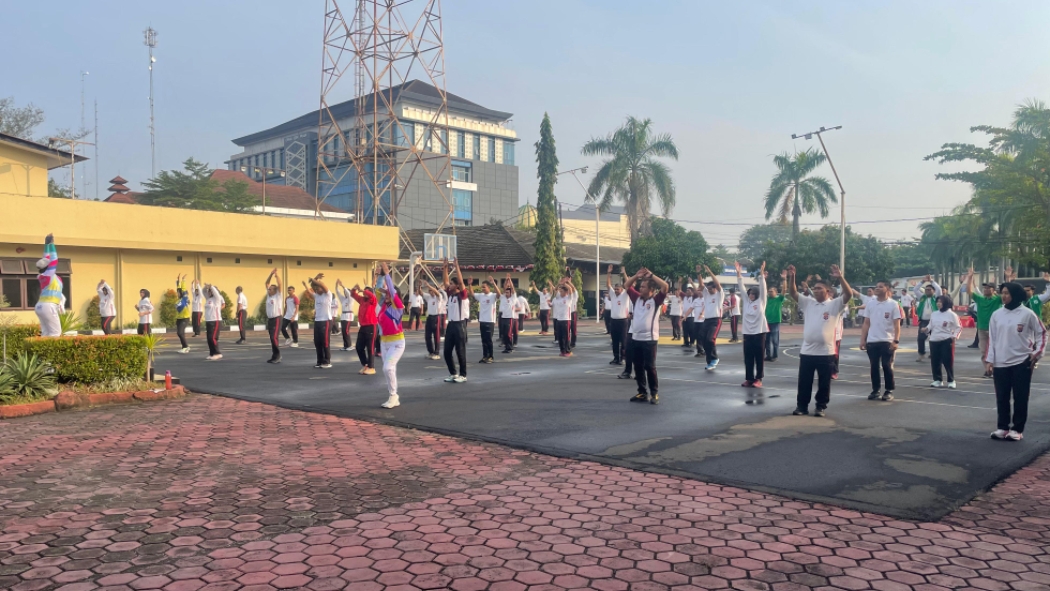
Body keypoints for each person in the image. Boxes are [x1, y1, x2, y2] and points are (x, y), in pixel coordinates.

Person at [789, 264, 852, 417]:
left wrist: (840, 277)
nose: (816, 290)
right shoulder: (808, 303)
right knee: (804, 381)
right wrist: (792, 277)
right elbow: (793, 292)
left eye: (819, 288)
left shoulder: (835, 304)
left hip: (826, 352)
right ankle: (802, 406)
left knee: (824, 383)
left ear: (828, 291)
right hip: (807, 352)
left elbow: (848, 294)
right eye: (815, 288)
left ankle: (820, 407)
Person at [985, 282, 1046, 441]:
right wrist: (990, 360)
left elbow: (1042, 333)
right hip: (1000, 363)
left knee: (1020, 397)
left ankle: (1017, 430)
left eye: (1007, 293)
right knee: (1002, 397)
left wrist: (1037, 353)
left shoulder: (1027, 314)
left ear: (1016, 295)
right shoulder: (996, 315)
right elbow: (992, 339)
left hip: (1021, 362)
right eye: (1002, 293)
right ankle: (1002, 427)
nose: (1003, 296)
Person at [624, 267, 668, 404]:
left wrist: (652, 275)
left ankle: (654, 393)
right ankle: (642, 392)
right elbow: (627, 285)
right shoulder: (636, 298)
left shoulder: (656, 301)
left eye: (643, 287)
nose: (640, 288)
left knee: (650, 367)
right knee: (638, 366)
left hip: (649, 340)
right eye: (640, 286)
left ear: (651, 290)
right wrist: (636, 276)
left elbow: (665, 286)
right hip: (636, 338)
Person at [860, 280, 902, 402]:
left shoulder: (893, 304)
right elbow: (866, 323)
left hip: (887, 340)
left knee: (886, 365)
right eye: (876, 287)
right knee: (874, 366)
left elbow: (897, 325)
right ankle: (875, 390)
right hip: (872, 340)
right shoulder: (870, 304)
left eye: (880, 287)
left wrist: (896, 341)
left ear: (887, 289)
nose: (877, 288)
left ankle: (889, 390)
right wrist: (863, 339)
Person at [374, 262, 406, 408]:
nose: (386, 295)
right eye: (385, 293)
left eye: (388, 293)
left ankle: (393, 396)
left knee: (388, 368)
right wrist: (380, 275)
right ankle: (393, 396)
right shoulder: (383, 307)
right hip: (384, 343)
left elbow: (392, 292)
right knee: (388, 370)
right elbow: (377, 290)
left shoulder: (398, 307)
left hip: (397, 343)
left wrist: (387, 274)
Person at [965, 268, 1002, 377]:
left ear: (994, 290)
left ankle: (995, 370)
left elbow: (1007, 293)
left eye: (988, 288)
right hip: (981, 329)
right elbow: (969, 291)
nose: (985, 289)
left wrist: (1009, 279)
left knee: (995, 351)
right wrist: (970, 278)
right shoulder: (980, 299)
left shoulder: (997, 300)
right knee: (983, 351)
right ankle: (988, 370)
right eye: (985, 288)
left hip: (994, 329)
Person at [737, 261, 768, 388]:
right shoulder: (746, 302)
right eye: (750, 293)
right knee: (748, 357)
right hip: (747, 333)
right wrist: (739, 274)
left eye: (753, 294)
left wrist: (761, 274)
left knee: (759, 357)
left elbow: (763, 288)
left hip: (759, 333)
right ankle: (749, 379)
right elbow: (741, 288)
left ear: (757, 295)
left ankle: (758, 379)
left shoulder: (761, 301)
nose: (750, 295)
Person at [442, 259, 469, 382]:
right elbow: (445, 282)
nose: (450, 285)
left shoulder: (462, 295)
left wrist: (457, 266)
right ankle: (453, 373)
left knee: (460, 352)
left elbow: (461, 282)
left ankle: (463, 375)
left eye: (452, 284)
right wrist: (445, 268)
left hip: (460, 325)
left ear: (457, 285)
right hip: (451, 325)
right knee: (447, 351)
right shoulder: (450, 294)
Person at [925, 294, 961, 388]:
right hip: (934, 340)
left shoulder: (952, 315)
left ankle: (951, 380)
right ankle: (937, 380)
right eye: (937, 302)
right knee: (935, 361)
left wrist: (954, 336)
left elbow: (958, 327)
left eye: (941, 302)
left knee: (947, 361)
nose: (938, 303)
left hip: (946, 340)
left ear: (946, 303)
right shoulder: (934, 314)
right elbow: (930, 325)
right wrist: (926, 329)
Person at [34, 234, 63, 338]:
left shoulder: (43, 275)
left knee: (46, 333)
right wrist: (52, 244)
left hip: (40, 306)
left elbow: (45, 259)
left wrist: (46, 245)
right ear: (48, 267)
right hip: (49, 305)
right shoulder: (49, 274)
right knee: (55, 333)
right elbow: (54, 259)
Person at [301, 274, 333, 369]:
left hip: (326, 321)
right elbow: (311, 288)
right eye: (315, 289)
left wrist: (314, 279)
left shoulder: (328, 295)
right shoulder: (316, 296)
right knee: (317, 342)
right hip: (318, 321)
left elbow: (322, 285)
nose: (316, 290)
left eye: (318, 288)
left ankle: (327, 361)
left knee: (325, 342)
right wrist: (313, 280)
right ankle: (320, 361)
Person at [698, 265, 724, 371]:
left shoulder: (719, 295)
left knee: (710, 339)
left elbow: (717, 284)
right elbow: (701, 285)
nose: (708, 290)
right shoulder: (706, 295)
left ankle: (715, 358)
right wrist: (699, 273)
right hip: (707, 320)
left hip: (716, 320)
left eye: (710, 289)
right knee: (704, 341)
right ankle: (710, 362)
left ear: (715, 288)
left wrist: (709, 272)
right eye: (707, 289)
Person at [912, 275, 943, 362]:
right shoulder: (922, 297)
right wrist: (922, 281)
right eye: (926, 290)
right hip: (924, 322)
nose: (927, 291)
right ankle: (921, 354)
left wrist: (931, 281)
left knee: (934, 338)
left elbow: (939, 289)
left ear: (933, 291)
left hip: (935, 321)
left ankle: (934, 354)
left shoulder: (936, 298)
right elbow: (915, 289)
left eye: (929, 289)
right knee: (920, 338)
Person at [351, 283, 378, 375]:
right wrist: (354, 288)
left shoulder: (372, 300)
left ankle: (371, 367)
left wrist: (363, 290)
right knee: (359, 347)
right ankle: (366, 364)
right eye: (364, 291)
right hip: (363, 327)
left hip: (371, 326)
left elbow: (371, 295)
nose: (364, 293)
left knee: (370, 348)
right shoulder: (362, 300)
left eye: (366, 291)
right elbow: (353, 294)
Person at [606, 264, 630, 366]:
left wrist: (624, 273)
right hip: (614, 320)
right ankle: (616, 358)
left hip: (623, 321)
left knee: (623, 341)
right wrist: (609, 273)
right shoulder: (612, 295)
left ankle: (623, 358)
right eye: (615, 289)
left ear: (622, 289)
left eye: (618, 289)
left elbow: (628, 284)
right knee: (614, 341)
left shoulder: (625, 295)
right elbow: (608, 285)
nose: (616, 291)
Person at [474, 277, 499, 363]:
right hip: (482, 320)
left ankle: (490, 356)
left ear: (488, 287)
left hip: (490, 321)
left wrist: (494, 283)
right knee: (484, 340)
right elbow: (472, 294)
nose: (482, 288)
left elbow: (499, 294)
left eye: (484, 287)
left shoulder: (492, 296)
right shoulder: (481, 296)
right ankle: (485, 356)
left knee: (489, 340)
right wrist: (469, 284)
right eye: (482, 287)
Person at [550, 278, 575, 357]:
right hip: (559, 319)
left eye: (562, 291)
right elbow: (555, 289)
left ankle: (568, 351)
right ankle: (562, 350)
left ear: (566, 292)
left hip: (566, 320)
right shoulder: (558, 298)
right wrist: (559, 284)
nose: (560, 293)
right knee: (560, 336)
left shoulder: (569, 298)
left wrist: (565, 284)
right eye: (560, 291)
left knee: (566, 336)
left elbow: (570, 289)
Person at [765, 270, 787, 362]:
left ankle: (775, 355)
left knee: (774, 340)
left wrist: (784, 279)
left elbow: (784, 290)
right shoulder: (767, 299)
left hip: (775, 322)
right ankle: (768, 355)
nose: (770, 292)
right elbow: (763, 289)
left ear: (776, 292)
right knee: (766, 340)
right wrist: (764, 279)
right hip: (767, 322)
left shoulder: (779, 299)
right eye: (769, 291)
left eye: (772, 291)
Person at [264, 269, 284, 364]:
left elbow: (280, 284)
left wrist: (276, 275)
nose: (268, 290)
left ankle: (278, 355)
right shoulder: (269, 296)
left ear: (275, 291)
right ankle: (274, 356)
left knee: (274, 337)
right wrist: (271, 274)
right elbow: (266, 283)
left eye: (270, 289)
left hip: (277, 319)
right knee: (272, 338)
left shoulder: (278, 296)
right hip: (270, 320)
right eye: (268, 289)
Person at [423, 282, 446, 360]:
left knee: (436, 335)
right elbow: (420, 293)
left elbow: (437, 292)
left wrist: (429, 285)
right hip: (429, 317)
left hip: (436, 317)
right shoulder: (428, 297)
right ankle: (431, 352)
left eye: (432, 290)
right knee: (427, 336)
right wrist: (419, 286)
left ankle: (437, 353)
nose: (431, 292)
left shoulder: (438, 297)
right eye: (430, 291)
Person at [203, 283, 225, 361]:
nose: (209, 292)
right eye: (209, 291)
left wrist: (211, 286)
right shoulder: (208, 299)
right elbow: (203, 291)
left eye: (210, 291)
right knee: (209, 339)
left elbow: (216, 293)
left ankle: (217, 353)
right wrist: (206, 287)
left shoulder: (217, 299)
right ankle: (212, 353)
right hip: (208, 321)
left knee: (213, 338)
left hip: (216, 320)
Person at [499, 276, 521, 354]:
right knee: (504, 334)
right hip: (503, 317)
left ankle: (510, 347)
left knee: (509, 334)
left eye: (508, 292)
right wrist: (506, 280)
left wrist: (510, 280)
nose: (506, 293)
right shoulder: (503, 298)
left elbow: (512, 289)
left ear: (511, 293)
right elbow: (504, 288)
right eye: (506, 292)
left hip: (510, 318)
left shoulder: (513, 298)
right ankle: (507, 347)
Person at [334, 279, 356, 351]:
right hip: (343, 316)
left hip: (349, 316)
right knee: (343, 331)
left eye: (346, 292)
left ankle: (349, 345)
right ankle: (345, 346)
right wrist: (337, 284)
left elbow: (348, 293)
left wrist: (342, 286)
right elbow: (338, 292)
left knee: (346, 331)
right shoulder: (343, 299)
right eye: (344, 292)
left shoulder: (351, 298)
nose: (345, 293)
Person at [174, 276, 191, 353]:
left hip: (185, 318)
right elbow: (178, 289)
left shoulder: (184, 298)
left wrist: (183, 280)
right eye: (177, 292)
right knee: (180, 333)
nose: (177, 293)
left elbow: (183, 289)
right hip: (179, 318)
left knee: (180, 332)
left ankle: (186, 347)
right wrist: (178, 281)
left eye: (178, 292)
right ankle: (184, 347)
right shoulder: (178, 300)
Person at [681, 283, 695, 350]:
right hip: (684, 316)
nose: (687, 292)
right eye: (686, 290)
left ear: (692, 292)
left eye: (689, 291)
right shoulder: (684, 297)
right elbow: (679, 290)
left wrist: (692, 282)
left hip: (691, 317)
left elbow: (696, 291)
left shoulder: (693, 298)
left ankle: (692, 342)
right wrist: (680, 282)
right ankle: (686, 342)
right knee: (685, 330)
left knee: (691, 330)